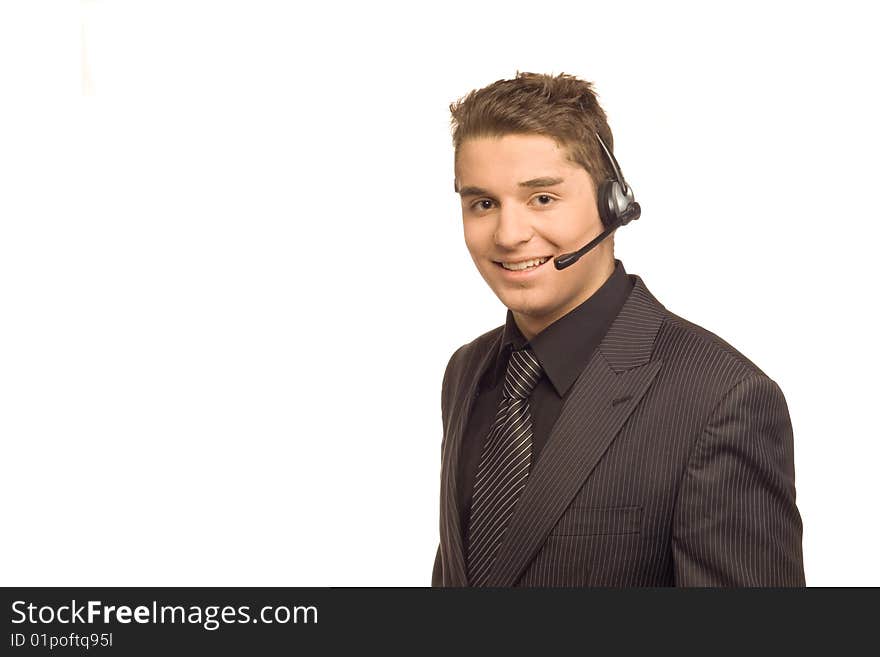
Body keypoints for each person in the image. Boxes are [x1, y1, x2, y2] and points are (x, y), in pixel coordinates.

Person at [432, 71, 804, 587]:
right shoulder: (468, 371)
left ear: (613, 204)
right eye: (483, 204)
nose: (509, 235)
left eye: (542, 198)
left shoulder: (722, 400)